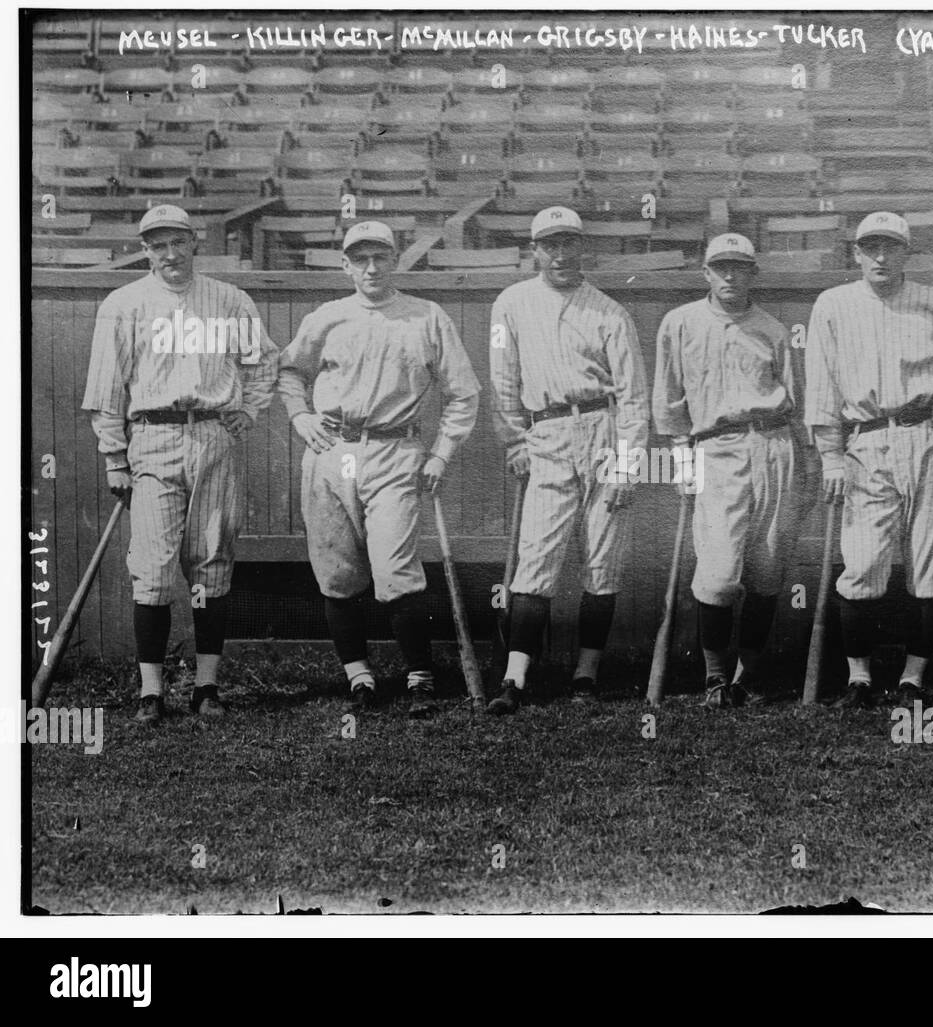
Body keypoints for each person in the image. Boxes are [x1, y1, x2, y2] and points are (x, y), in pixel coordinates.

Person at [81, 204, 281, 724]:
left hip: (213, 436)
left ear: (195, 243)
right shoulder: (123, 303)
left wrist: (249, 412)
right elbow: (106, 390)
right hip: (152, 437)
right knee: (151, 569)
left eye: (178, 242)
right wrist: (113, 457)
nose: (169, 253)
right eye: (157, 244)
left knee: (211, 564)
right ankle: (152, 692)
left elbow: (265, 364)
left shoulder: (229, 299)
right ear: (144, 249)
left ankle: (206, 687)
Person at [277, 221, 480, 717]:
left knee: (396, 571)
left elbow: (463, 392)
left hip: (395, 451)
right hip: (331, 451)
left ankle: (419, 676)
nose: (371, 268)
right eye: (359, 259)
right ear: (345, 265)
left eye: (380, 258)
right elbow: (288, 371)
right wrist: (300, 416)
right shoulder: (327, 316)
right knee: (338, 572)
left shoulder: (426, 316)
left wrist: (441, 453)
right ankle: (359, 675)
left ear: (396, 261)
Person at [804, 211, 933, 708]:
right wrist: (830, 455)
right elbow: (821, 385)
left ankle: (914, 679)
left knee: (931, 564)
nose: (881, 256)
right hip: (867, 440)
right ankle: (859, 679)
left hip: (932, 441)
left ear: (906, 253)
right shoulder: (833, 304)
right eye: (871, 247)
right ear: (856, 252)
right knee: (864, 563)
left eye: (891, 247)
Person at [487, 206, 650, 714]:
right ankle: (515, 679)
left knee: (603, 561)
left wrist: (627, 464)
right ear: (534, 249)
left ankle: (586, 673)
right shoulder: (509, 304)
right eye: (549, 245)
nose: (559, 254)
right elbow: (503, 381)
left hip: (602, 428)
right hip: (547, 431)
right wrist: (515, 441)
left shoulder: (609, 311)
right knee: (536, 560)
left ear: (583, 248)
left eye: (568, 244)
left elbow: (634, 396)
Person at [653, 232, 816, 707]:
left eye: (739, 267)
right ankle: (714, 677)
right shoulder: (679, 323)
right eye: (720, 267)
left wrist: (805, 463)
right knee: (720, 574)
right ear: (705, 273)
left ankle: (747, 677)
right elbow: (668, 400)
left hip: (774, 446)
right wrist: (681, 456)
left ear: (752, 275)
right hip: (716, 449)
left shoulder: (773, 329)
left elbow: (798, 403)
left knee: (767, 569)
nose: (729, 276)